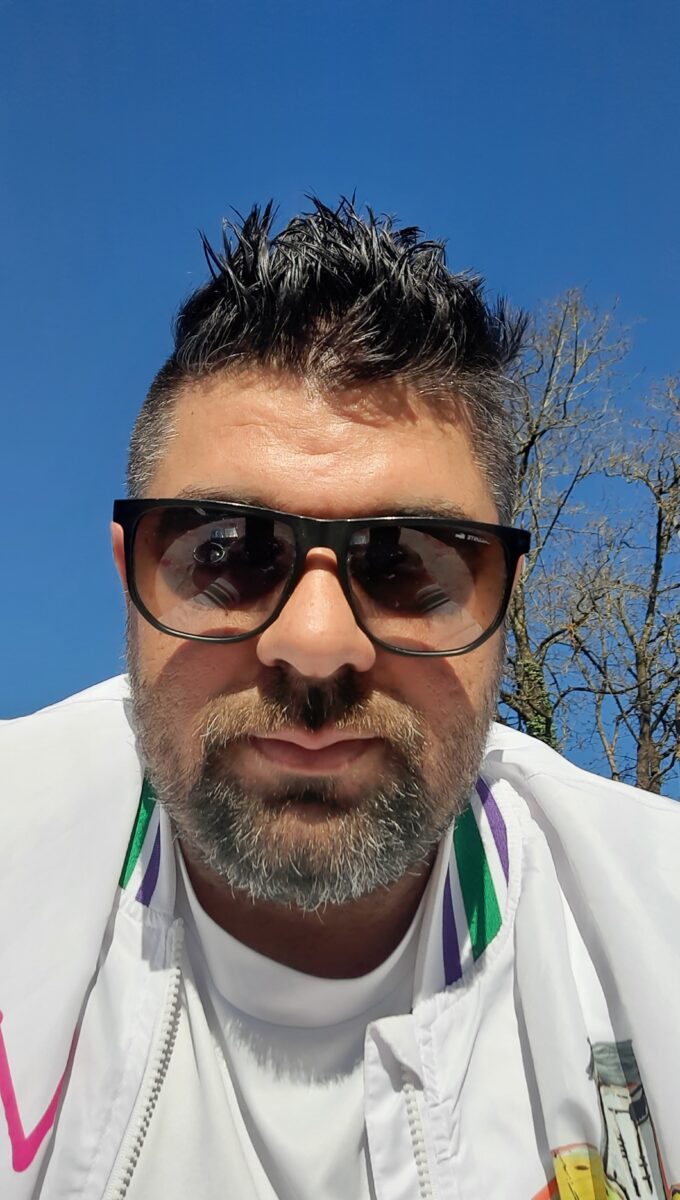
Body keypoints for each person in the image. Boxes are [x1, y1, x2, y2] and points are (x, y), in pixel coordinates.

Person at [1, 200, 678, 1200]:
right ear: (129, 577)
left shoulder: (654, 924)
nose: (316, 646)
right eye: (229, 555)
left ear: (499, 602)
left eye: (405, 564)